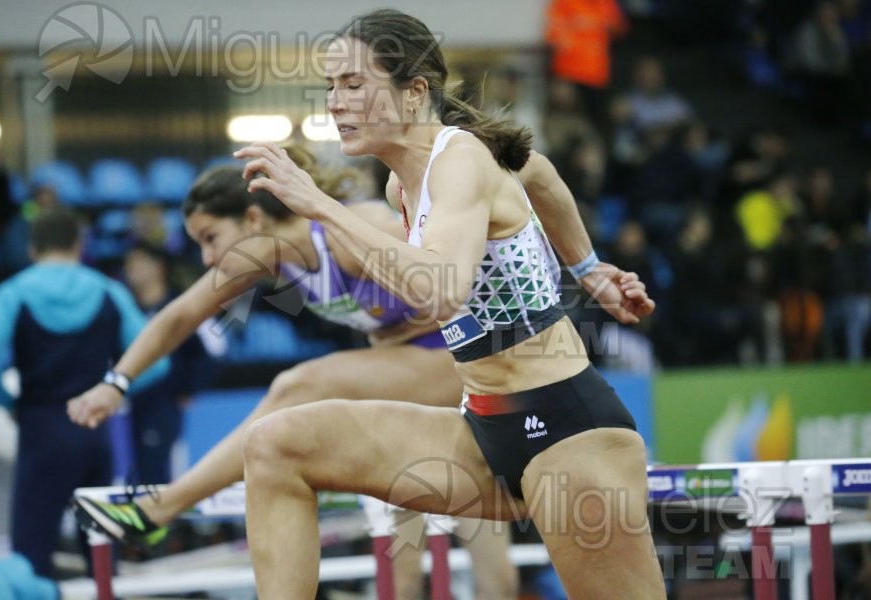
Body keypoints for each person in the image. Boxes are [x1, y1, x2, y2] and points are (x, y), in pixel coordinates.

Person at [232, 9, 665, 600]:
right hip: (482, 432)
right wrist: (588, 269)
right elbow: (537, 171)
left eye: (354, 85)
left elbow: (440, 289)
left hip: (568, 430)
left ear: (414, 93)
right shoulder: (399, 184)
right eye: (330, 86)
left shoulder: (458, 157)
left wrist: (318, 205)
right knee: (274, 443)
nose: (335, 102)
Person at [68, 147, 519, 599]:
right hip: (417, 378)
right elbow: (179, 317)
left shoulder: (348, 234)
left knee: (300, 386)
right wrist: (116, 383)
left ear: (252, 219)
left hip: (470, 360)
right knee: (432, 546)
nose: (207, 258)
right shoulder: (269, 258)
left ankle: (164, 506)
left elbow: (460, 276)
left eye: (210, 237)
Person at [0, 207, 166, 578]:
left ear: (32, 249)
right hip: (94, 432)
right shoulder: (108, 290)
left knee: (30, 560)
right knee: (101, 557)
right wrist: (113, 393)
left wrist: (9, 402)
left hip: (40, 431)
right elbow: (156, 363)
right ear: (79, 244)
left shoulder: (15, 292)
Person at [123, 243, 215, 484]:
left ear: (159, 268)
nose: (133, 269)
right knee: (140, 469)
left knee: (156, 469)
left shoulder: (180, 307)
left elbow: (214, 350)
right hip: (135, 401)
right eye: (130, 264)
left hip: (163, 401)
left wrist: (188, 388)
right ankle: (147, 520)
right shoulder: (128, 309)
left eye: (140, 263)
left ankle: (158, 522)